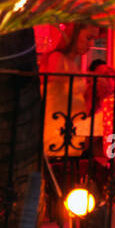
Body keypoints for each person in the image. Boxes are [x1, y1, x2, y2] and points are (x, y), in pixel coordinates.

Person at [43, 22, 96, 155]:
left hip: (72, 127)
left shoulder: (72, 62)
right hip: (58, 128)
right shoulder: (56, 57)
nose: (92, 45)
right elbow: (53, 77)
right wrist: (88, 76)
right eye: (88, 38)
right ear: (74, 34)